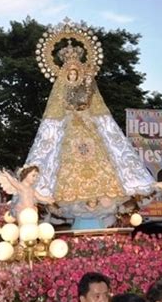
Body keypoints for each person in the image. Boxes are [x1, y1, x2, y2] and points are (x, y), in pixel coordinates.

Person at [24, 33, 154, 222]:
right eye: (70, 73)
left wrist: (86, 88)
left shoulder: (87, 85)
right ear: (65, 74)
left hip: (88, 124)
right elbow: (63, 105)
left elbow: (88, 102)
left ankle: (106, 205)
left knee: (104, 156)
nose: (73, 75)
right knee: (60, 160)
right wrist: (73, 111)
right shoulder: (62, 89)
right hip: (69, 126)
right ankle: (63, 205)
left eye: (76, 72)